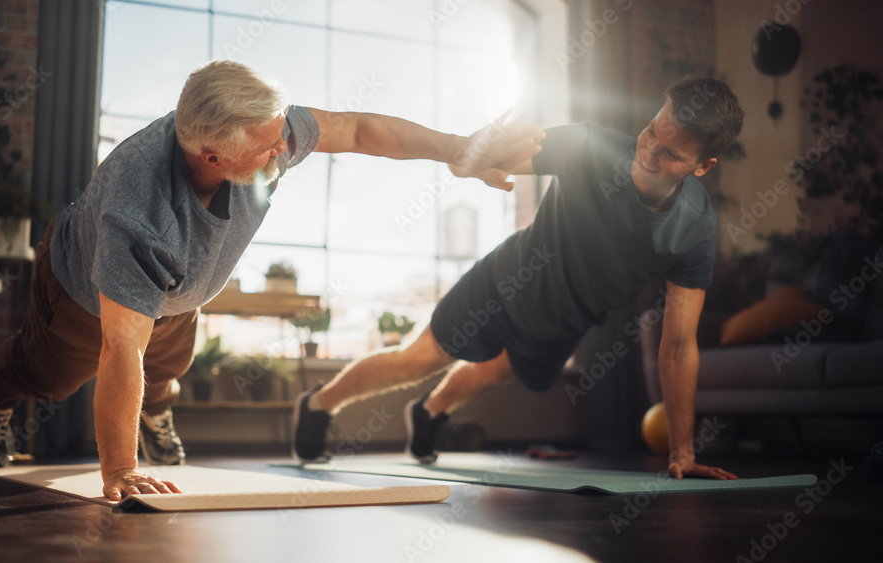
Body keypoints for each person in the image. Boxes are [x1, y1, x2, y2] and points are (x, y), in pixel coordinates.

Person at [0, 60, 545, 500]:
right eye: (271, 147)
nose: (285, 150)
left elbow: (361, 128)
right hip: (81, 294)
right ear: (212, 156)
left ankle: (156, 414)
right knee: (50, 375)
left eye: (281, 137)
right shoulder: (138, 211)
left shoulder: (264, 130)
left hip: (180, 289)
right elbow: (120, 348)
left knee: (168, 365)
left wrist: (457, 150)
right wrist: (121, 471)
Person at [292, 77, 745, 481]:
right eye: (650, 132)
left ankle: (429, 412)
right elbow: (478, 159)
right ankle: (318, 405)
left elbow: (680, 344)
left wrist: (683, 451)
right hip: (502, 282)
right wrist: (482, 150)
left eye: (670, 153)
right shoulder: (589, 147)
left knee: (491, 372)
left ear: (702, 166)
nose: (648, 152)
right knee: (419, 360)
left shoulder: (694, 228)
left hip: (561, 324)